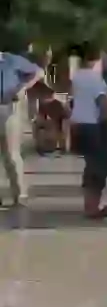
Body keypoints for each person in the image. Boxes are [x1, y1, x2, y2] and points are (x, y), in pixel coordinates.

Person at [71, 45, 107, 218]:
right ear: (98, 59)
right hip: (94, 126)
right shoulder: (96, 79)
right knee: (98, 167)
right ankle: (93, 207)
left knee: (90, 165)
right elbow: (103, 104)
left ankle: (89, 204)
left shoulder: (77, 76)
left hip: (78, 124)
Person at [0, 47, 44, 208]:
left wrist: (23, 88)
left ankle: (19, 195)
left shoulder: (12, 60)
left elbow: (39, 72)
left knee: (11, 154)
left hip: (8, 107)